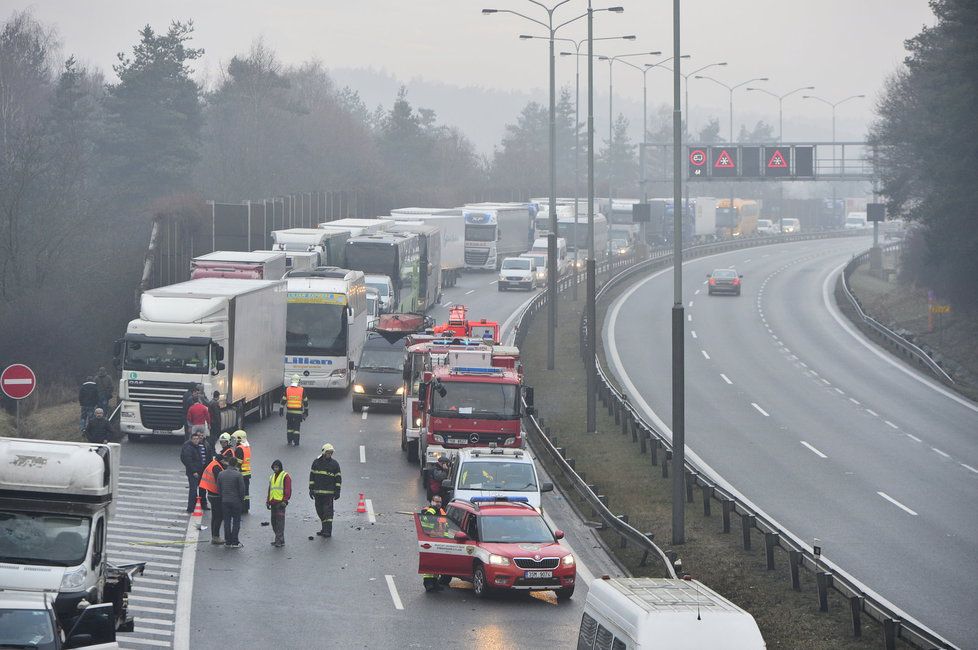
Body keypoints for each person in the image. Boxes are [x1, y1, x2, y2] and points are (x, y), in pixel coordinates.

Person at [309, 443, 341, 538]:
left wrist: (337, 491)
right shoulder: (316, 463)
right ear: (323, 452)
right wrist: (311, 489)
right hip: (318, 493)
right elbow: (312, 477)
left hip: (329, 494)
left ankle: (328, 531)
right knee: (320, 511)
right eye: (328, 453)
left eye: (331, 453)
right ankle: (324, 529)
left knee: (328, 512)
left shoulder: (335, 464)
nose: (329, 454)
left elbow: (338, 479)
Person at [420, 495, 449, 592]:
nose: (438, 504)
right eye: (436, 502)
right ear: (432, 502)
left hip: (440, 540)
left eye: (440, 502)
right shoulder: (428, 510)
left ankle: (435, 582)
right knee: (430, 562)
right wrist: (433, 511)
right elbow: (426, 520)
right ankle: (428, 582)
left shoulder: (441, 511)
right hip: (430, 540)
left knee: (437, 562)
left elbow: (446, 525)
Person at [217, 456, 245, 548]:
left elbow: (219, 488)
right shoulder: (238, 475)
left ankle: (228, 541)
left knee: (227, 521)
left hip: (225, 501)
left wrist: (222, 497)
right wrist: (241, 499)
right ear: (236, 464)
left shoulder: (221, 474)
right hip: (236, 501)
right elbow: (242, 489)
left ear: (228, 463)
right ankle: (235, 541)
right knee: (236, 521)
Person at [199, 455, 226, 544]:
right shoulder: (216, 467)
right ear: (221, 460)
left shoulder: (213, 464)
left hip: (211, 493)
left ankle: (214, 536)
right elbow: (219, 481)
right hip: (216, 495)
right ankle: (216, 537)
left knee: (215, 516)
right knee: (219, 516)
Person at [266, 459, 292, 547]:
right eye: (274, 467)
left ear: (280, 467)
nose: (275, 469)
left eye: (277, 467)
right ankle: (280, 539)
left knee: (280, 523)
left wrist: (285, 500)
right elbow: (270, 490)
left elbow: (288, 489)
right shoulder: (272, 477)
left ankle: (278, 540)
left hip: (280, 503)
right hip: (273, 502)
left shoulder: (285, 476)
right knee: (274, 522)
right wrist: (268, 501)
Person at [180, 431, 207, 514]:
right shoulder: (189, 447)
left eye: (197, 439)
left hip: (201, 471)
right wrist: (194, 471)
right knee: (193, 490)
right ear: (191, 439)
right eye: (194, 439)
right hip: (193, 473)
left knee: (201, 489)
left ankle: (200, 505)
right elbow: (188, 461)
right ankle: (191, 508)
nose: (196, 440)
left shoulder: (199, 446)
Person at [280, 375, 308, 446]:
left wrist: (281, 409)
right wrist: (306, 411)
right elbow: (305, 401)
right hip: (298, 413)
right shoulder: (301, 390)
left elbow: (283, 400)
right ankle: (296, 442)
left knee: (289, 427)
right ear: (299, 381)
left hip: (289, 413)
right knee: (296, 429)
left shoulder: (287, 389)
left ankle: (289, 441)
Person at [232, 430, 252, 513]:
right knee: (246, 492)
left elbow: (238, 462)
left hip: (241, 474)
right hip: (247, 473)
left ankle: (241, 508)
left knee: (240, 491)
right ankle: (246, 507)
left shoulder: (239, 448)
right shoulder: (246, 447)